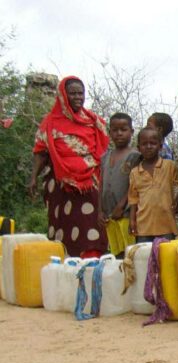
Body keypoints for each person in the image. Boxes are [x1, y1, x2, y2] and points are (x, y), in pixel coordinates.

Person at [28, 76, 109, 257]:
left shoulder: (93, 121)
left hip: (90, 181)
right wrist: (33, 177)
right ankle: (65, 263)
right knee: (63, 223)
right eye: (73, 93)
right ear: (63, 95)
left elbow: (102, 152)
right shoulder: (50, 123)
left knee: (91, 223)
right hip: (60, 182)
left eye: (81, 93)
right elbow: (41, 152)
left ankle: (92, 261)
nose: (78, 97)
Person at [128, 126, 178, 242]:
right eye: (144, 144)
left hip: (166, 225)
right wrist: (132, 221)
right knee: (144, 257)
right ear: (138, 148)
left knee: (165, 257)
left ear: (160, 146)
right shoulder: (135, 172)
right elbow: (133, 199)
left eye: (153, 143)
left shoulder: (169, 166)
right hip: (143, 227)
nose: (148, 147)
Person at [100, 112, 140, 256]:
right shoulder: (105, 157)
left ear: (131, 132)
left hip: (126, 214)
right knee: (115, 253)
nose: (119, 134)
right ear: (109, 132)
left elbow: (134, 185)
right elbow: (101, 183)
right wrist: (100, 209)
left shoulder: (135, 156)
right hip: (109, 216)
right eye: (115, 130)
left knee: (130, 253)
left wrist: (121, 205)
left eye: (123, 130)